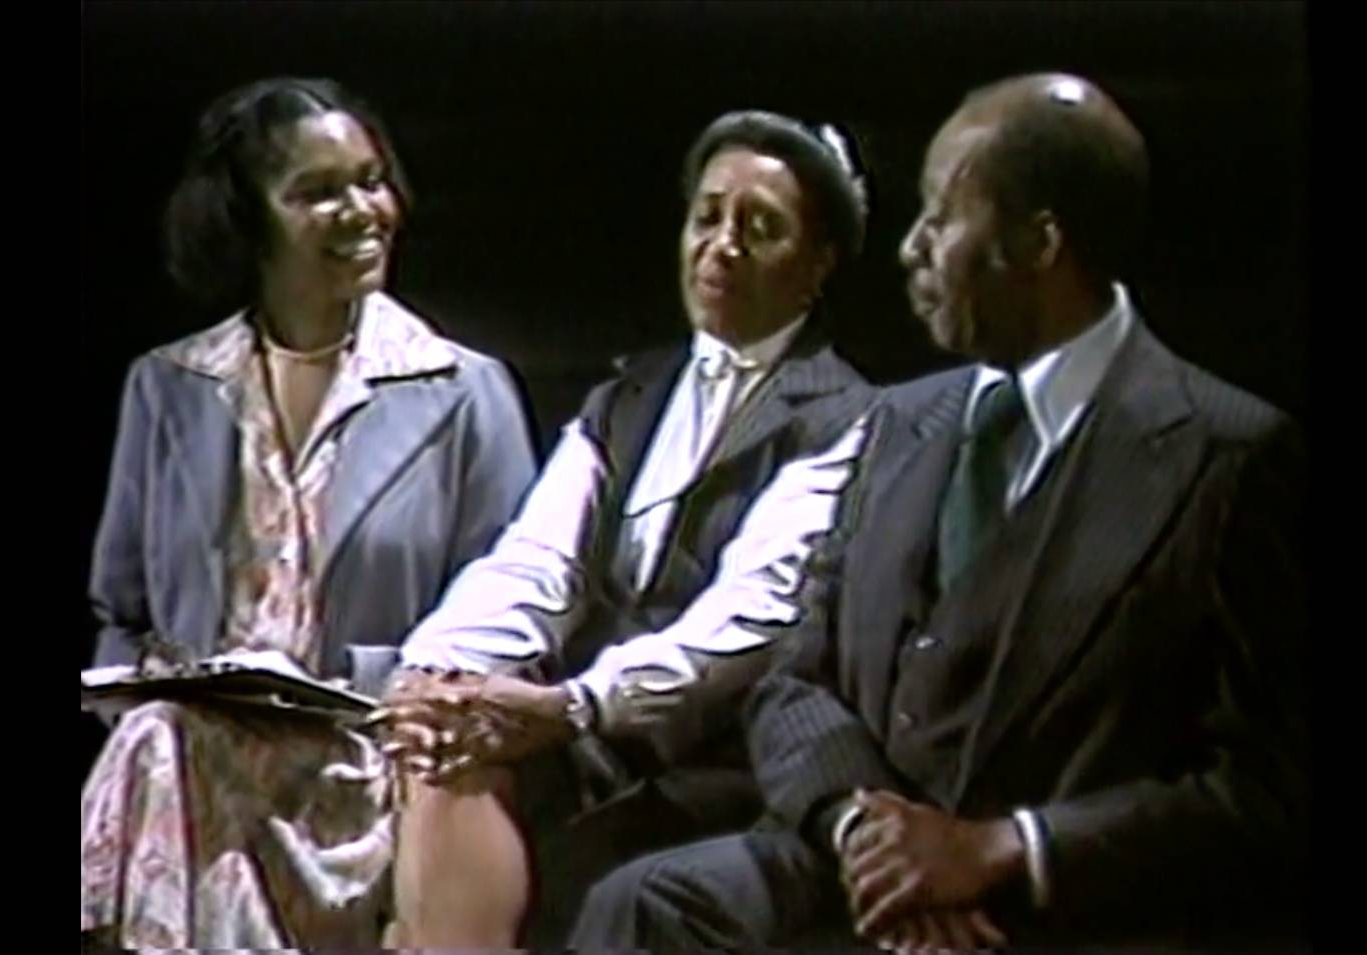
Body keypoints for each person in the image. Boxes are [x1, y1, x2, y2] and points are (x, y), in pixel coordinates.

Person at [571, 73, 1309, 953]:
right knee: (644, 904)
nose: (910, 248)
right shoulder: (896, 423)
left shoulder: (1229, 457)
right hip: (849, 867)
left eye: (941, 216)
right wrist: (865, 828)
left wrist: (1004, 849)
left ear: (1039, 241)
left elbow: (1269, 788)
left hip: (1042, 911)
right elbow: (794, 676)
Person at [377, 109, 877, 947]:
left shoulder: (845, 418)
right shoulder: (629, 394)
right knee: (444, 750)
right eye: (707, 217)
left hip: (716, 762)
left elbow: (751, 618)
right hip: (587, 740)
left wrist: (577, 704)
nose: (722, 246)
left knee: (584, 869)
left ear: (818, 264)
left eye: (760, 228)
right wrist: (440, 671)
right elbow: (536, 561)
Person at [79, 76, 537, 949]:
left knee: (161, 745)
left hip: (376, 761)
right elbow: (120, 611)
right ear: (248, 219)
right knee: (162, 737)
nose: (363, 210)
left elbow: (513, 622)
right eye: (318, 192)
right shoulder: (167, 387)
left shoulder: (467, 393)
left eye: (371, 180)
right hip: (188, 767)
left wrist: (399, 693)